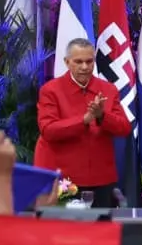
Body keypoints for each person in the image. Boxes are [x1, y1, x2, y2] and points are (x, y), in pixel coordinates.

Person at [35, 38, 133, 208]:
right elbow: (48, 130)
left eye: (89, 61)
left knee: (100, 224)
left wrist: (102, 116)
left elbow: (124, 128)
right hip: (62, 178)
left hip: (101, 179)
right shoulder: (50, 90)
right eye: (78, 62)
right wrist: (84, 120)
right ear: (67, 62)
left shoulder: (108, 89)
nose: (85, 67)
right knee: (63, 225)